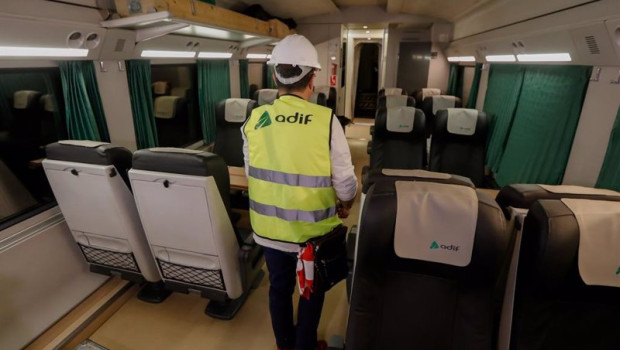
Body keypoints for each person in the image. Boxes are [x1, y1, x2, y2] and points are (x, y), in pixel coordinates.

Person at [241, 34, 357, 350]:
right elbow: (346, 183)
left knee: (278, 287)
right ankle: (304, 345)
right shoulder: (326, 121)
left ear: (276, 75)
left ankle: (284, 343)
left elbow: (254, 172)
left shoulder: (254, 118)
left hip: (268, 230)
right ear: (313, 78)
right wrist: (345, 203)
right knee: (310, 289)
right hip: (311, 234)